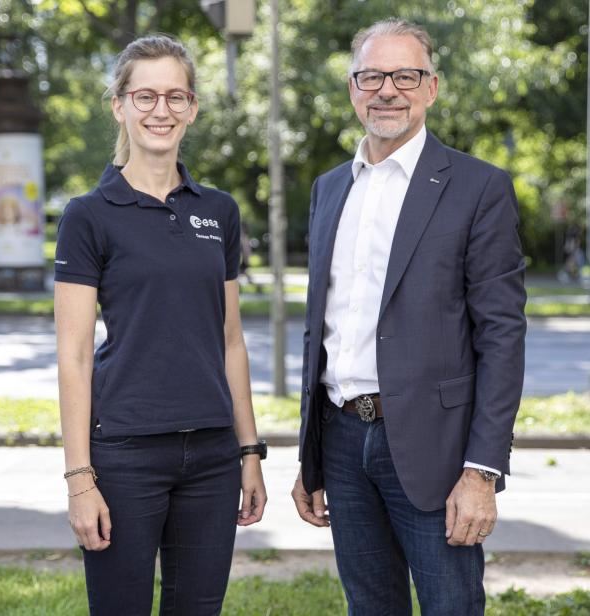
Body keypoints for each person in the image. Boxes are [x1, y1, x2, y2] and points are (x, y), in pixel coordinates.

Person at [291, 18, 526, 616]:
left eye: (405, 75)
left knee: (450, 606)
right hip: (342, 442)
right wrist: (310, 456)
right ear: (352, 88)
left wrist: (482, 471)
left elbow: (501, 335)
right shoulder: (328, 191)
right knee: (369, 606)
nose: (387, 90)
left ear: (432, 87)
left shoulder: (478, 188)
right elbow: (324, 331)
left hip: (436, 450)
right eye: (372, 76)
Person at [54, 34, 267, 615]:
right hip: (123, 454)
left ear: (193, 108)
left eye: (176, 96)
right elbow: (72, 355)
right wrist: (80, 478)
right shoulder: (87, 215)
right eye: (144, 96)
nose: (161, 110)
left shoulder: (217, 211)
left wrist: (249, 451)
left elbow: (230, 338)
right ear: (119, 104)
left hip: (212, 456)